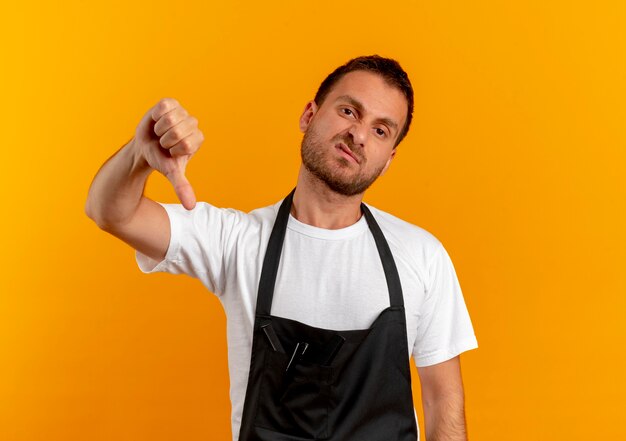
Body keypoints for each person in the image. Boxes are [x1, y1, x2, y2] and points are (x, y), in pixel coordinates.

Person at [85, 55, 478, 441]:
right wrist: (139, 154)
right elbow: (111, 212)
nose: (358, 134)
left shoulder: (422, 256)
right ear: (309, 115)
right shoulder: (237, 241)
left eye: (380, 130)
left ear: (388, 159)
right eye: (348, 111)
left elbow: (443, 400)